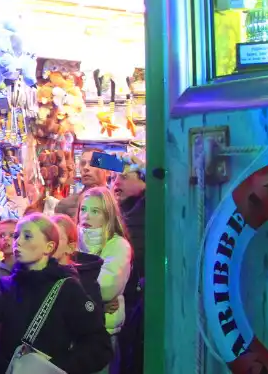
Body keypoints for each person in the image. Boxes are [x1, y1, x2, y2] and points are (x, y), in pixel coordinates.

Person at [0, 214, 112, 374]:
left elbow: (99, 346)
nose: (18, 242)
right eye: (17, 235)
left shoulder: (67, 288)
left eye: (27, 236)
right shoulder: (10, 284)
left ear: (49, 247)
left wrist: (56, 368)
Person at [77, 187, 132, 373]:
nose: (86, 216)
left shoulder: (118, 245)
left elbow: (107, 288)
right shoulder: (69, 241)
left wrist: (74, 291)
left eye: (95, 211)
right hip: (71, 333)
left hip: (104, 334)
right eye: (83, 210)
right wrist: (96, 303)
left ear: (108, 216)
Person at [111, 157, 145, 374]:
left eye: (124, 177)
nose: (116, 182)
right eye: (114, 177)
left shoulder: (149, 207)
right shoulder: (123, 210)